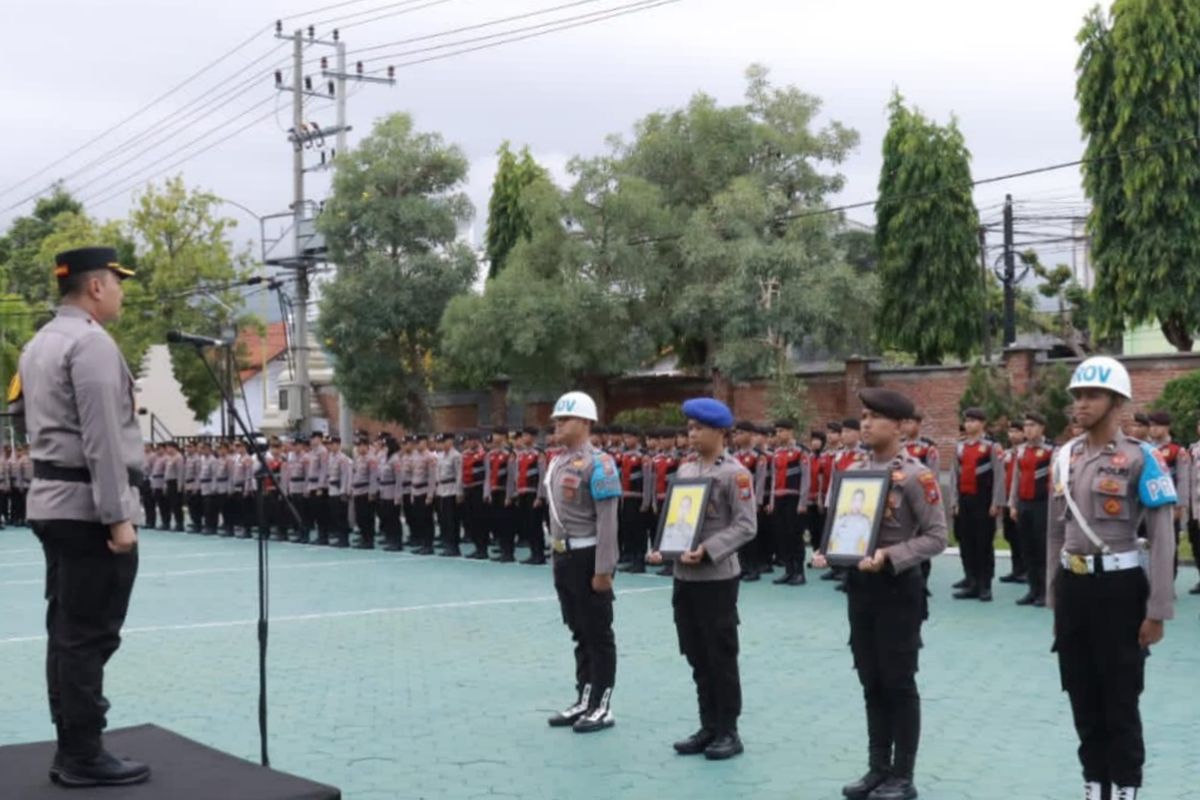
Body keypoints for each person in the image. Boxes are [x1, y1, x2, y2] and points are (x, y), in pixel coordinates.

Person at [14, 247, 149, 787]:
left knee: (67, 629)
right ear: (96, 287)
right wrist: (118, 516)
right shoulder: (90, 343)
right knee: (89, 633)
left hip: (51, 500)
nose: (120, 291)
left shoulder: (38, 343)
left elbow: (28, 421)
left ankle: (73, 740)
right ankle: (83, 751)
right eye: (116, 282)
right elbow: (103, 439)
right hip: (88, 509)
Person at [1049, 357, 1176, 800]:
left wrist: (1158, 609)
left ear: (1117, 402)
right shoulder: (1064, 457)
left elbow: (1163, 537)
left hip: (1120, 591)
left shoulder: (1143, 458)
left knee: (1120, 698)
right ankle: (1094, 783)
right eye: (1077, 396)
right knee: (1081, 693)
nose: (1081, 404)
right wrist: (1054, 600)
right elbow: (1055, 531)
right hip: (1074, 589)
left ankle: (1126, 787)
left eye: (1092, 396)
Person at [814, 388, 947, 800]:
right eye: (864, 416)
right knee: (870, 679)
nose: (865, 424)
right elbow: (842, 523)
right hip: (861, 587)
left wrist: (891, 555)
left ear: (900, 425)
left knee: (898, 682)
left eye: (875, 417)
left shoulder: (915, 475)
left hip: (897, 588)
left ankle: (902, 776)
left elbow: (937, 537)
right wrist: (828, 550)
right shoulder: (853, 470)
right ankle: (877, 768)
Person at [647, 398, 755, 760]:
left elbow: (745, 525)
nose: (691, 435)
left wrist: (708, 549)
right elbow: (676, 518)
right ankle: (708, 725)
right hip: (684, 575)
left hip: (716, 577)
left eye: (698, 428)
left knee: (720, 654)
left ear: (720, 431)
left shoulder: (734, 473)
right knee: (695, 652)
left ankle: (729, 730)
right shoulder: (687, 471)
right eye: (689, 428)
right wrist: (664, 547)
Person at [544, 391, 622, 734]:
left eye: (565, 420)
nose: (558, 425)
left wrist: (604, 569)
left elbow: (608, 521)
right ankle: (584, 696)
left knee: (598, 633)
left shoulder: (600, 464)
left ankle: (602, 705)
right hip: (564, 555)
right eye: (557, 420)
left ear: (586, 423)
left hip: (589, 555)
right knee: (579, 631)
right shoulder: (557, 461)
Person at [946, 408, 1004, 601]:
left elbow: (999, 476)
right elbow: (954, 475)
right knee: (966, 542)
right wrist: (953, 501)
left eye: (973, 421)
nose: (969, 424)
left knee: (983, 544)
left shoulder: (991, 446)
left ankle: (985, 586)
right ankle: (971, 582)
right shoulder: (960, 446)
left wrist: (997, 502)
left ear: (982, 423)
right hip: (965, 500)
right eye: (967, 421)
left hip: (984, 500)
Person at [1007, 412, 1054, 606]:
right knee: (1027, 549)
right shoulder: (1020, 451)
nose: (1028, 429)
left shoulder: (1052, 450)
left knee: (1042, 549)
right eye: (1026, 425)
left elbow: (1054, 480)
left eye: (1032, 425)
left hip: (1043, 505)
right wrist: (1013, 503)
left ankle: (1045, 591)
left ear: (1042, 428)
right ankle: (1033, 589)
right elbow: (1016, 479)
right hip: (1024, 504)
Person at [766, 419, 811, 586]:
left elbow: (806, 477)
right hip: (779, 499)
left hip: (794, 498)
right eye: (777, 431)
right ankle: (788, 571)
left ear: (791, 432)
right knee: (782, 536)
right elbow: (774, 479)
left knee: (795, 536)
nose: (778, 434)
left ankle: (799, 572)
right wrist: (771, 500)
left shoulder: (801, 451)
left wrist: (803, 502)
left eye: (781, 431)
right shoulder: (776, 453)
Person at [998, 420, 1027, 583]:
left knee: (1023, 536)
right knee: (1011, 536)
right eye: (1010, 432)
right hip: (1007, 500)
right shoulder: (1007, 454)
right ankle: (1016, 569)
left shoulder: (1026, 452)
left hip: (1022, 499)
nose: (1013, 435)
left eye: (1016, 431)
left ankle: (1027, 570)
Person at [434, 432, 463, 556]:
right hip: (442, 489)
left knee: (452, 520)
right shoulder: (440, 456)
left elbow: (459, 475)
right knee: (443, 519)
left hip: (452, 490)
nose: (441, 444)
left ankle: (454, 546)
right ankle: (447, 544)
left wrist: (459, 492)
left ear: (450, 442)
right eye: (440, 442)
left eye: (444, 442)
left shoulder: (456, 456)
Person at [828, 488, 873, 556]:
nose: (857, 503)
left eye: (860, 500)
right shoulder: (841, 519)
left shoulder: (865, 522)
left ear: (862, 503)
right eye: (855, 500)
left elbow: (867, 544)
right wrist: (830, 556)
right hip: (838, 556)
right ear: (851, 501)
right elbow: (830, 540)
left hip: (855, 557)